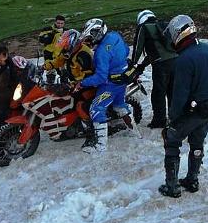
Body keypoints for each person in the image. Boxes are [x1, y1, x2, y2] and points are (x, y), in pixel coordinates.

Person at [159, 15, 208, 198]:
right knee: (197, 143)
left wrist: (172, 118)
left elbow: (180, 94)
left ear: (178, 34)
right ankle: (193, 179)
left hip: (190, 111)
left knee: (171, 141)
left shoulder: (184, 60)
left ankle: (172, 186)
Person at [77, 18, 132, 153]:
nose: (90, 40)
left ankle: (100, 146)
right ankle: (134, 132)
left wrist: (82, 83)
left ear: (98, 32)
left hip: (110, 85)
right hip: (123, 79)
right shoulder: (114, 35)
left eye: (91, 36)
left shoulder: (101, 51)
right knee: (120, 106)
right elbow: (125, 50)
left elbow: (100, 77)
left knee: (96, 109)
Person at [129, 10, 177, 129]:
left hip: (161, 66)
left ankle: (159, 121)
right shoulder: (163, 25)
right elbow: (156, 51)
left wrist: (133, 63)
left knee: (158, 93)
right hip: (176, 61)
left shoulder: (143, 27)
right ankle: (175, 118)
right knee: (172, 91)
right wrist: (143, 65)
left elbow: (138, 47)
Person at [38, 15, 66, 82]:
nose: (59, 25)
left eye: (61, 23)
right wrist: (52, 34)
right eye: (58, 23)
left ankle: (65, 86)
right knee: (50, 71)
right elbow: (41, 39)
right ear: (55, 22)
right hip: (49, 53)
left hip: (60, 54)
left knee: (64, 72)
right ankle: (50, 85)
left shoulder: (67, 31)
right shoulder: (47, 29)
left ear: (64, 23)